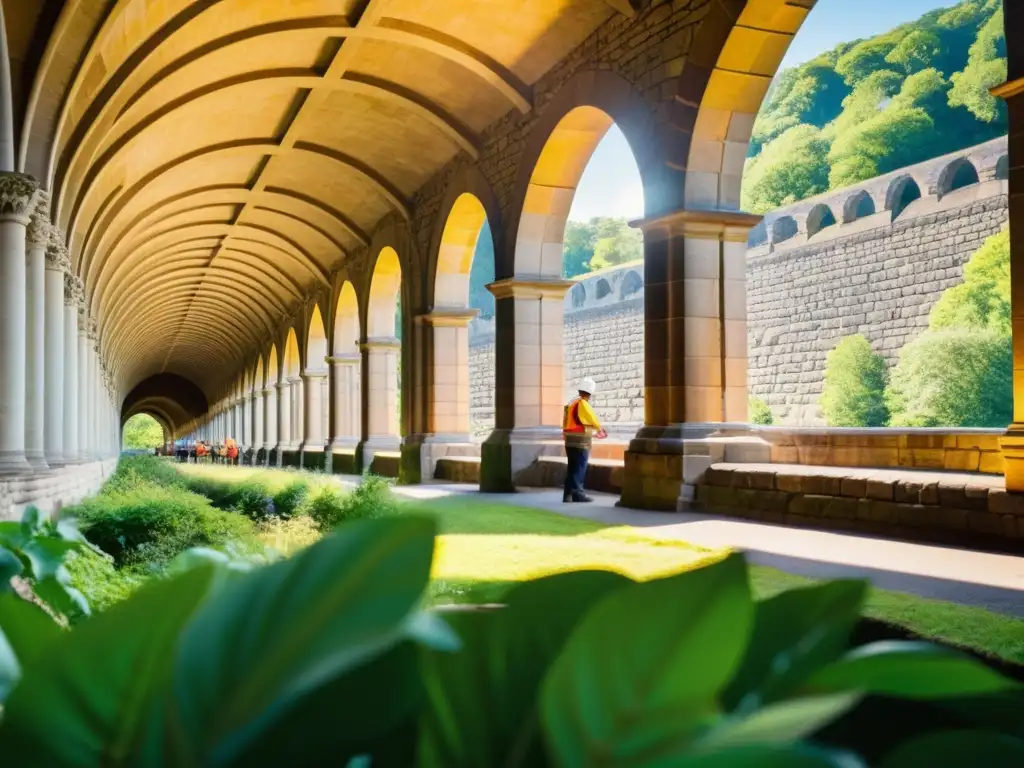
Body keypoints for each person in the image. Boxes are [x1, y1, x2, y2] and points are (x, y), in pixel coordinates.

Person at [562, 377, 607, 503]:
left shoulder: (570, 403)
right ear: (590, 393)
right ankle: (578, 494)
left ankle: (568, 495)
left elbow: (566, 422)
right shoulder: (582, 403)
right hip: (581, 440)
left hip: (569, 439)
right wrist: (599, 429)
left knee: (572, 467)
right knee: (579, 467)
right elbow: (591, 418)